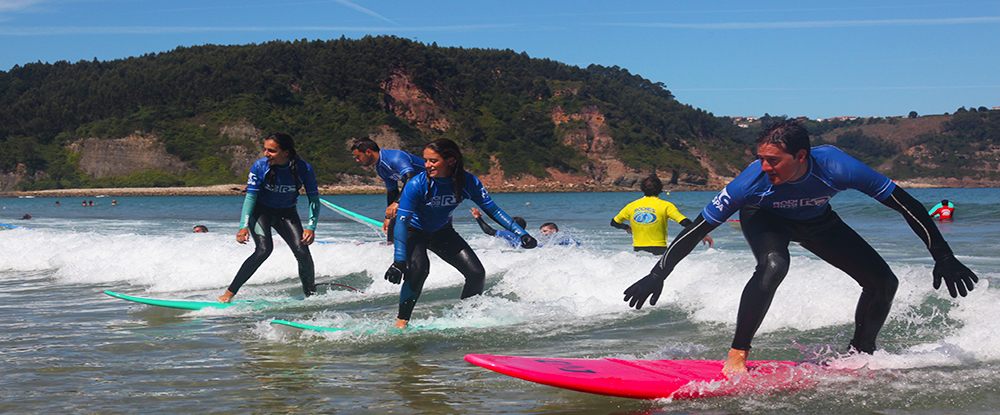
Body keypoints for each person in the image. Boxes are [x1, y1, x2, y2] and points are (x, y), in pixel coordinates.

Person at [622, 120, 979, 374]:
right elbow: (699, 226)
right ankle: (737, 355)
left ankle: (859, 355)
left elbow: (906, 205)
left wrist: (943, 256)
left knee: (884, 282)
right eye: (760, 157)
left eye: (773, 159)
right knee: (774, 266)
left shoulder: (839, 166)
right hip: (764, 218)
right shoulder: (751, 183)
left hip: (816, 219)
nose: (764, 166)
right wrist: (659, 273)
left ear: (802, 156)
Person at [384, 138, 537, 329]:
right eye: (426, 160)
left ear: (451, 160)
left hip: (442, 231)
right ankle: (402, 321)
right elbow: (402, 221)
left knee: (476, 273)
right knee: (419, 269)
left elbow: (494, 211)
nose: (427, 165)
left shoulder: (467, 182)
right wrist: (399, 261)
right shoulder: (417, 184)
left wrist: (521, 233)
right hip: (413, 230)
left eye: (433, 160)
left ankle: (465, 317)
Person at [219, 133, 321, 303]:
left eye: (271, 151)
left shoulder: (304, 169)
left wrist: (311, 227)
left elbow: (314, 200)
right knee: (263, 250)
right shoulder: (260, 166)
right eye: (265, 149)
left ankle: (310, 294)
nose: (266, 154)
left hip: (287, 213)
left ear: (286, 152)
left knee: (302, 252)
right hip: (261, 213)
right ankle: (229, 293)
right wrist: (243, 226)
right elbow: (251, 198)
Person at [611, 174, 712, 255]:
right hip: (659, 249)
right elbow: (685, 222)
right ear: (660, 189)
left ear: (642, 189)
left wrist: (626, 227)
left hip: (638, 250)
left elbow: (614, 223)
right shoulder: (665, 206)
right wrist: (701, 234)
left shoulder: (632, 206)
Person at [351, 137, 426, 242]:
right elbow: (392, 191)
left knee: (399, 222)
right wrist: (388, 217)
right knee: (393, 222)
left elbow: (411, 177)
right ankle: (391, 252)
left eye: (358, 156)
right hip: (419, 191)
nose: (357, 160)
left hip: (433, 189)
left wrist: (397, 203)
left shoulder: (394, 158)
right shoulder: (380, 168)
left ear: (368, 152)